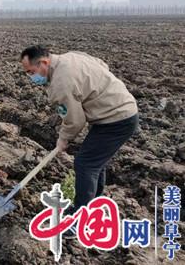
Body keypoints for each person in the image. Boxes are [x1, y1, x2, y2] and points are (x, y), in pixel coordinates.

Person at [20, 45, 138, 238]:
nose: (31, 77)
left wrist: (63, 139)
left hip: (117, 119)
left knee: (85, 164)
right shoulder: (71, 57)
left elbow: (75, 120)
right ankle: (93, 205)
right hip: (116, 112)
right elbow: (101, 65)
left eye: (32, 72)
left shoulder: (61, 82)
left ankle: (81, 220)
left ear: (44, 62)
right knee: (95, 163)